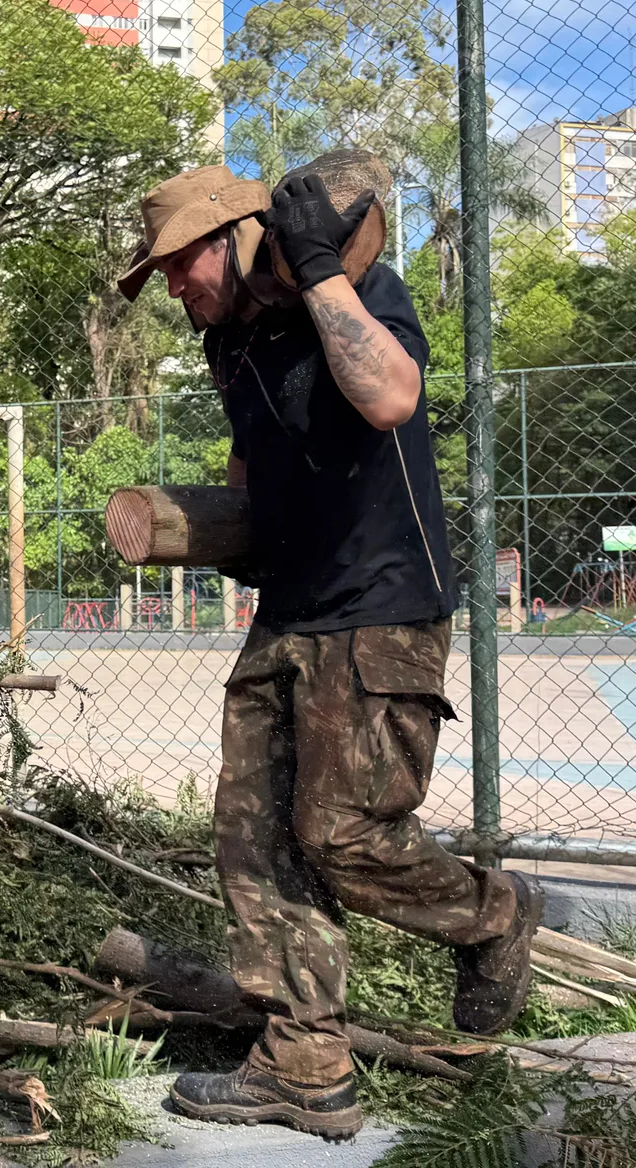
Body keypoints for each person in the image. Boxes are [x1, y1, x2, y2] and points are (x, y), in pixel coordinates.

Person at [114, 165, 543, 1141]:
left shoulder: (354, 285)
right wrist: (234, 528)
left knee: (341, 834)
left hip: (382, 607)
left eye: (177, 266)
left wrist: (318, 275)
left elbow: (390, 397)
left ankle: (493, 913)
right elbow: (248, 450)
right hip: (289, 610)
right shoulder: (227, 340)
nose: (171, 288)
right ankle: (302, 1064)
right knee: (253, 834)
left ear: (230, 236)